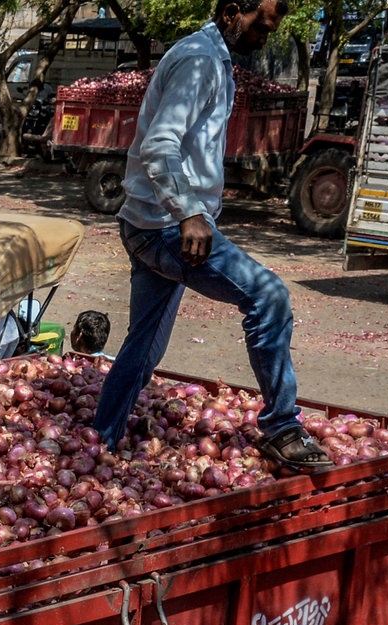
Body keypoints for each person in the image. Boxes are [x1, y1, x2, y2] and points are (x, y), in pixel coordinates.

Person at [91, 0, 327, 473]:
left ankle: (101, 440)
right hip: (165, 227)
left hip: (149, 222)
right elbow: (161, 145)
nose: (268, 33)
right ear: (232, 11)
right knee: (269, 296)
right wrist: (191, 213)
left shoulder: (213, 60)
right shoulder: (199, 61)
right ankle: (282, 427)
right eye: (262, 22)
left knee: (145, 343)